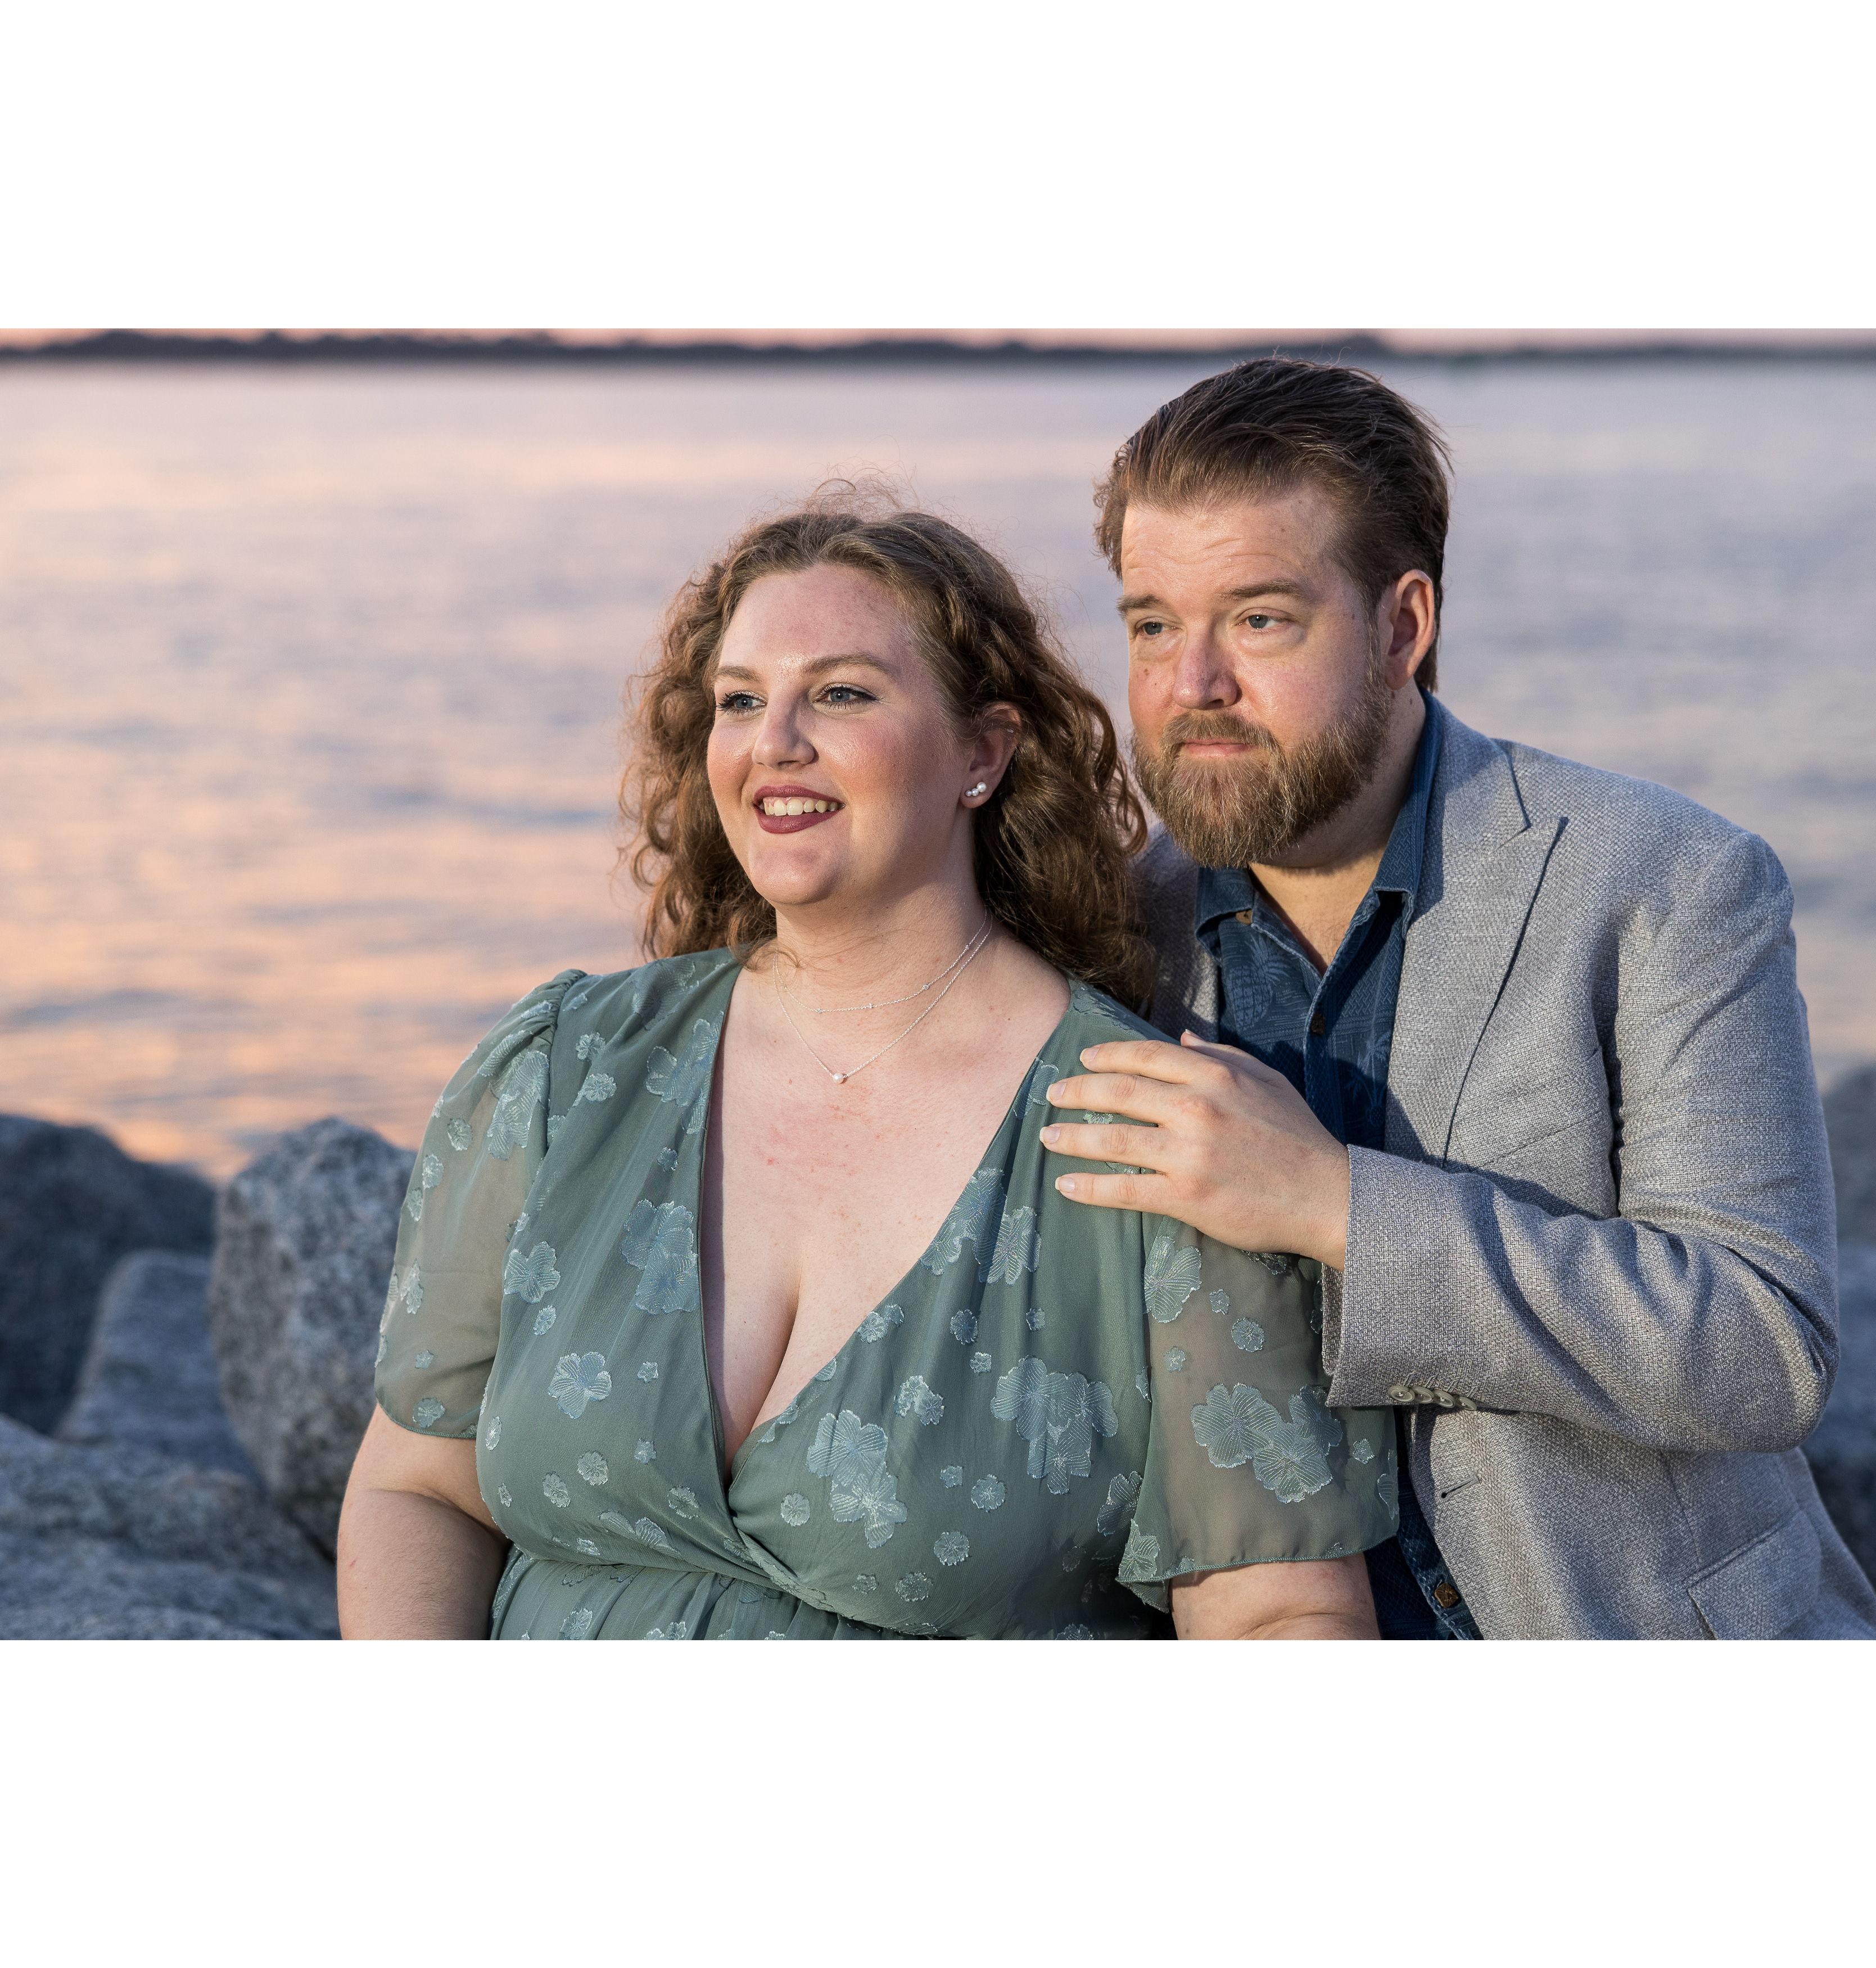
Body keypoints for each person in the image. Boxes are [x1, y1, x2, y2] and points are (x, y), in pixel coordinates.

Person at [337, 495, 1397, 1640]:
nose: (775, 742)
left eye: (841, 694)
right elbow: (418, 1483)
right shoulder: (566, 1073)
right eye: (741, 700)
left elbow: (1277, 1615)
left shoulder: (1151, 1142)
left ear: (983, 753)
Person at [1038, 358, 1876, 1639]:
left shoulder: (1668, 880)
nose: (1190, 683)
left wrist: (1333, 1206)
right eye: (1152, 624)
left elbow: (1763, 1348)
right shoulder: (1102, 938)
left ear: (1403, 627)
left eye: (1258, 620)